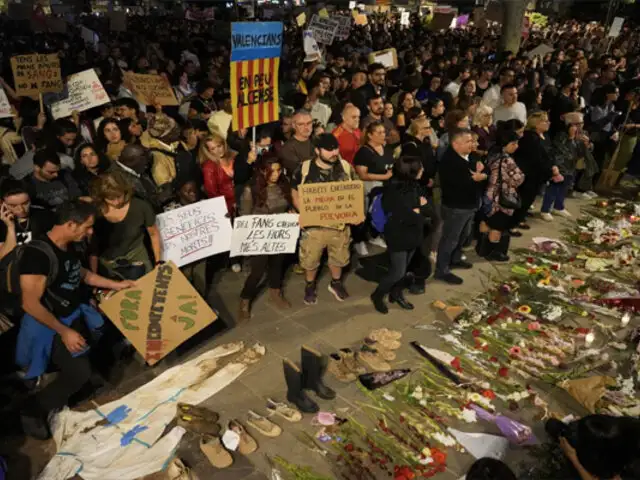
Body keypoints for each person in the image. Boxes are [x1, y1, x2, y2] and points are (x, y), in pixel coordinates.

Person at [17, 201, 134, 439]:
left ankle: (84, 379)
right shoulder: (37, 255)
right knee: (78, 372)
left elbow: (80, 274)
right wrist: (64, 331)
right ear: (71, 224)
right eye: (88, 227)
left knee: (88, 352)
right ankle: (32, 410)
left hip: (72, 314)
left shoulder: (68, 245)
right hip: (49, 325)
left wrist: (116, 285)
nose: (90, 232)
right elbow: (29, 303)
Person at [291, 134, 359, 305]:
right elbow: (295, 192)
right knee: (310, 259)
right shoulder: (304, 169)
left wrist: (357, 214)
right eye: (329, 150)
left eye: (336, 148)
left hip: (339, 225)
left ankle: (335, 283)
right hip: (314, 228)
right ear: (317, 150)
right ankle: (310, 285)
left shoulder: (345, 167)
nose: (334, 152)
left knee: (340, 256)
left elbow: (355, 191)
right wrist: (303, 212)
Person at [370, 156, 429, 314]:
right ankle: (377, 295)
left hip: (413, 234)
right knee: (397, 272)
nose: (423, 170)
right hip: (398, 235)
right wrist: (419, 208)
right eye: (420, 168)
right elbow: (411, 216)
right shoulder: (393, 190)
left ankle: (396, 294)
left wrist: (418, 210)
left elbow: (423, 212)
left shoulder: (414, 185)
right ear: (410, 172)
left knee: (405, 267)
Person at [237, 157, 292, 321]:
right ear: (262, 171)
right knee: (258, 270)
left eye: (278, 170)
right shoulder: (251, 190)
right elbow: (244, 216)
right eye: (272, 171)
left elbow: (288, 205)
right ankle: (245, 299)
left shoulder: (284, 185)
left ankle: (275, 292)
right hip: (260, 236)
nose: (276, 174)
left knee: (277, 265)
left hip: (279, 233)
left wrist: (290, 212)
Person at [435, 129, 486, 285]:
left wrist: (478, 172)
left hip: (468, 205)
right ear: (456, 144)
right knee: (450, 239)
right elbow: (459, 185)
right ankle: (441, 270)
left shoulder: (467, 157)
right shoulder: (450, 161)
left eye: (472, 141)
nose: (472, 144)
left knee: (463, 236)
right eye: (468, 141)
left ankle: (455, 259)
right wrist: (479, 178)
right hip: (456, 206)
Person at [90, 171, 161, 280]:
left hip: (138, 258)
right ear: (103, 197)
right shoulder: (96, 213)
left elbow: (154, 234)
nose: (117, 201)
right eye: (111, 199)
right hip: (109, 265)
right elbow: (93, 249)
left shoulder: (140, 206)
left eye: (119, 196)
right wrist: (94, 275)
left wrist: (158, 262)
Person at [478, 130, 524, 262]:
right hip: (501, 197)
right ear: (505, 144)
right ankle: (495, 252)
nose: (516, 146)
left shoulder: (492, 154)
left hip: (488, 195)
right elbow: (518, 178)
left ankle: (482, 249)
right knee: (498, 226)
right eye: (514, 143)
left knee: (486, 222)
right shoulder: (507, 160)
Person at [512, 112, 560, 230]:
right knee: (525, 196)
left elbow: (550, 153)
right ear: (536, 124)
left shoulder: (545, 136)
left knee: (530, 197)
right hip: (529, 173)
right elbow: (536, 158)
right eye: (545, 121)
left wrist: (553, 165)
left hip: (539, 173)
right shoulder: (529, 137)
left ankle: (521, 215)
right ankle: (516, 220)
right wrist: (551, 170)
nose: (548, 123)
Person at [352, 121, 394, 256]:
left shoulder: (387, 149)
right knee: (364, 215)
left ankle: (375, 236)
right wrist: (385, 177)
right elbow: (362, 174)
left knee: (381, 215)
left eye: (384, 132)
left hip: (384, 188)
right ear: (370, 135)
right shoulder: (364, 152)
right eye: (379, 132)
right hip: (368, 189)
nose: (383, 135)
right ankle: (359, 241)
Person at [164, 178, 208, 298]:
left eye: (194, 190)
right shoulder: (170, 210)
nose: (193, 193)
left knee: (201, 281)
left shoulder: (205, 204)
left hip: (201, 252)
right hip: (183, 256)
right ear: (179, 193)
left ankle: (204, 306)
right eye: (188, 191)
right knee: (185, 281)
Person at [541, 113, 584, 221]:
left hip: (571, 167)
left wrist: (587, 145)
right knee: (554, 188)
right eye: (577, 124)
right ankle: (545, 210)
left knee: (564, 188)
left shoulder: (581, 135)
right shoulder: (561, 135)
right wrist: (571, 138)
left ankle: (558, 207)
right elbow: (560, 151)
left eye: (581, 123)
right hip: (560, 166)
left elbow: (582, 153)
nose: (580, 126)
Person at [0, 179, 54, 259]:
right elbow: (5, 258)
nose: (21, 209)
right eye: (13, 206)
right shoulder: (1, 225)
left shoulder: (43, 215)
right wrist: (10, 227)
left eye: (25, 203)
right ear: (2, 203)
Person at [279, 110, 314, 178]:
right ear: (293, 126)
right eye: (301, 124)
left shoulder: (317, 141)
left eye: (309, 123)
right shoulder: (288, 148)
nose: (306, 127)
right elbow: (299, 172)